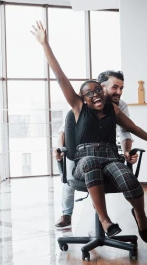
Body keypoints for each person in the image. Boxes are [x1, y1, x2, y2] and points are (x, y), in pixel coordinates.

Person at [31, 21, 147, 243]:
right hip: (84, 161)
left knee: (127, 178)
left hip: (110, 157)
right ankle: (105, 221)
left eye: (97, 90)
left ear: (103, 90)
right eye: (88, 93)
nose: (95, 95)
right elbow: (61, 77)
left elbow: (132, 129)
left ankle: (139, 214)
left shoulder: (114, 109)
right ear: (82, 98)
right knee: (90, 162)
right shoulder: (79, 108)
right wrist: (45, 45)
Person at [54, 71, 138, 229]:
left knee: (101, 168)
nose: (119, 92)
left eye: (121, 88)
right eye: (115, 87)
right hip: (79, 149)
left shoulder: (120, 105)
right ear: (103, 88)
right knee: (71, 173)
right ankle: (66, 214)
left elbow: (125, 131)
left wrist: (127, 151)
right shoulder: (84, 101)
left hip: (103, 151)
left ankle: (102, 214)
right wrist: (61, 149)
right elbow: (65, 128)